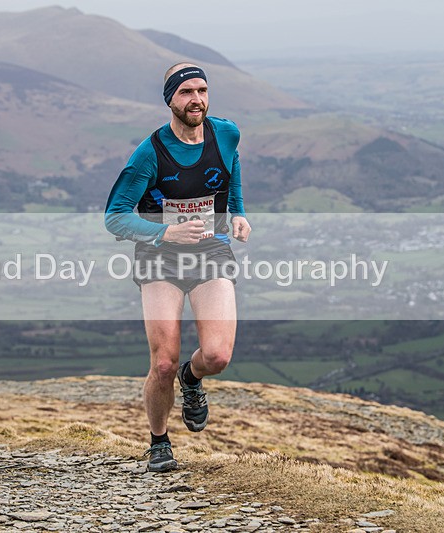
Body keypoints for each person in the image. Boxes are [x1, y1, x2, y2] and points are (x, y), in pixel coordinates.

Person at [105, 63, 251, 472]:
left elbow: (231, 168)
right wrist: (166, 234)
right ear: (170, 99)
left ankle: (193, 378)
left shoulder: (226, 132)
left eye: (202, 90)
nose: (196, 100)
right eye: (186, 92)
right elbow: (115, 217)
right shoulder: (149, 154)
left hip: (211, 252)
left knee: (218, 356)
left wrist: (237, 212)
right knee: (163, 362)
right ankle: (158, 441)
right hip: (159, 258)